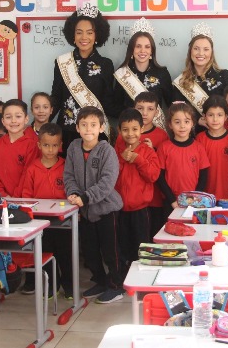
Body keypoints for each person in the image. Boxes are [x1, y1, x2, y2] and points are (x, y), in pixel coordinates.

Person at [63, 106, 124, 304]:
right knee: (89, 251)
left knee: (111, 251)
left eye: (93, 125)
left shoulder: (107, 151)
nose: (88, 129)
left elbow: (107, 182)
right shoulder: (73, 147)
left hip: (107, 210)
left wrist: (86, 197)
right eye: (84, 125)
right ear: (77, 127)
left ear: (101, 128)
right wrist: (73, 193)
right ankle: (100, 280)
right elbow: (68, 175)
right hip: (85, 210)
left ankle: (116, 285)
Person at [51, 3, 117, 151]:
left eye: (90, 32)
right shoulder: (62, 62)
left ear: (97, 35)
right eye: (79, 32)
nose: (84, 37)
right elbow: (56, 97)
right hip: (67, 130)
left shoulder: (106, 64)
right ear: (73, 36)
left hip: (94, 132)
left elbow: (107, 102)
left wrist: (133, 113)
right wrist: (41, 121)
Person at [20, 123, 72, 298]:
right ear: (39, 145)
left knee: (66, 254)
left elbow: (71, 191)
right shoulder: (32, 168)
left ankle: (70, 286)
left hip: (63, 220)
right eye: (46, 145)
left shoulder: (66, 166)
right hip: (41, 221)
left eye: (54, 145)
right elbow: (26, 196)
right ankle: (51, 286)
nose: (50, 149)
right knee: (45, 253)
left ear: (60, 145)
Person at [115, 108, 160, 269]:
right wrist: (121, 159)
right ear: (119, 130)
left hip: (141, 210)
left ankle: (142, 274)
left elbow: (153, 176)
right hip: (120, 209)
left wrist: (138, 160)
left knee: (141, 246)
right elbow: (111, 177)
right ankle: (123, 274)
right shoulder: (116, 152)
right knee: (122, 245)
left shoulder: (148, 152)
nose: (130, 134)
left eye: (134, 129)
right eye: (125, 130)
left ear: (141, 129)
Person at [113, 18, 173, 129]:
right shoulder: (122, 73)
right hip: (130, 130)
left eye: (147, 47)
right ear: (132, 49)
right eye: (138, 46)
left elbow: (172, 104)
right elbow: (115, 106)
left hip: (155, 130)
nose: (142, 51)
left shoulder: (162, 73)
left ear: (152, 51)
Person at [128, 91, 171, 239]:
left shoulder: (162, 135)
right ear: (134, 109)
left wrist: (153, 151)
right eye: (140, 108)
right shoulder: (126, 134)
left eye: (150, 109)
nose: (144, 113)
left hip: (155, 198)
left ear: (157, 112)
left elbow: (164, 167)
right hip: (132, 197)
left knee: (154, 237)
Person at [172, 22, 228, 126]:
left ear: (211, 52)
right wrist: (197, 120)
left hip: (219, 131)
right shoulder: (181, 81)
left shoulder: (223, 75)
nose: (201, 53)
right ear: (190, 51)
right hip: (192, 132)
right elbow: (177, 112)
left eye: (206, 49)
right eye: (196, 48)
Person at [156, 102, 210, 208]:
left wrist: (195, 199)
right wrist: (172, 200)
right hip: (170, 202)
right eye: (177, 122)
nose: (182, 126)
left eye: (186, 121)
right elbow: (160, 177)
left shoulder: (198, 147)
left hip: (193, 202)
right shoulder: (164, 147)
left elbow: (203, 176)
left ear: (192, 123)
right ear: (170, 124)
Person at [0, 99, 39, 198]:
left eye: (18, 116)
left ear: (26, 119)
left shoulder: (32, 145)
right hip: (3, 199)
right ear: (3, 121)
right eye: (8, 117)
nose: (13, 121)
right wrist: (2, 194)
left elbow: (27, 175)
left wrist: (15, 198)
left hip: (24, 199)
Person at [196, 96, 228, 201]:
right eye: (210, 115)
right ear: (204, 116)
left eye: (219, 115)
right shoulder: (199, 139)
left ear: (226, 117)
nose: (215, 119)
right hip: (205, 196)